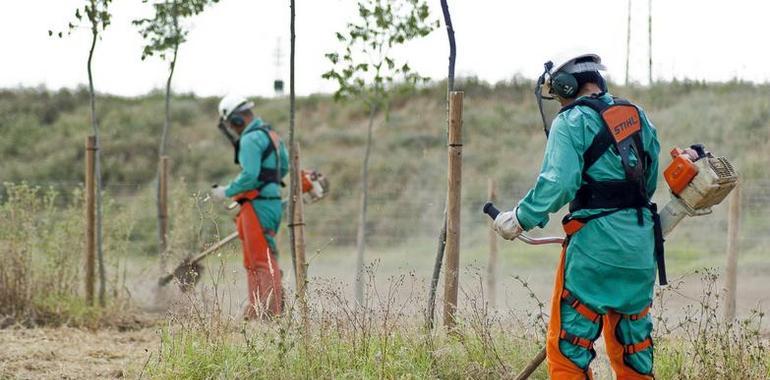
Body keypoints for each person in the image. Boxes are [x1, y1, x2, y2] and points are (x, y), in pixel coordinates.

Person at [493, 54, 662, 379]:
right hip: (641, 252)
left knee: (568, 352)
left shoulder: (571, 121)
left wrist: (519, 218)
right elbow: (648, 183)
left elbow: (559, 182)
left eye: (557, 92)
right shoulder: (637, 115)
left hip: (593, 253)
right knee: (634, 355)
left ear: (565, 84)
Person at [212, 94, 289, 319]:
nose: (232, 130)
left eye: (231, 124)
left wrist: (226, 191)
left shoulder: (249, 139)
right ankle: (255, 309)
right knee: (256, 259)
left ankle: (270, 313)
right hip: (270, 204)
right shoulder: (271, 135)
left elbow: (250, 175)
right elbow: (281, 168)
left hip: (257, 206)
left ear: (236, 119)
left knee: (261, 261)